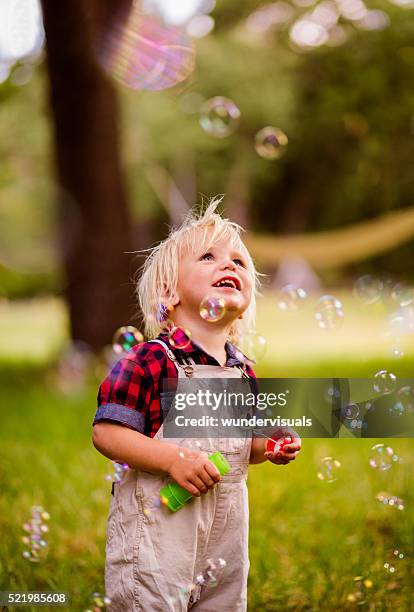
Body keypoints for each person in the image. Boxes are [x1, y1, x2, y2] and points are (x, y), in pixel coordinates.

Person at [92, 197, 301, 611]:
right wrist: (172, 459)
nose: (229, 266)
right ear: (169, 293)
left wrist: (269, 447)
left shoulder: (243, 372)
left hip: (225, 539)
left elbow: (240, 449)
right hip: (159, 537)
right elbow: (107, 432)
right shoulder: (151, 359)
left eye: (239, 262)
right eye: (209, 256)